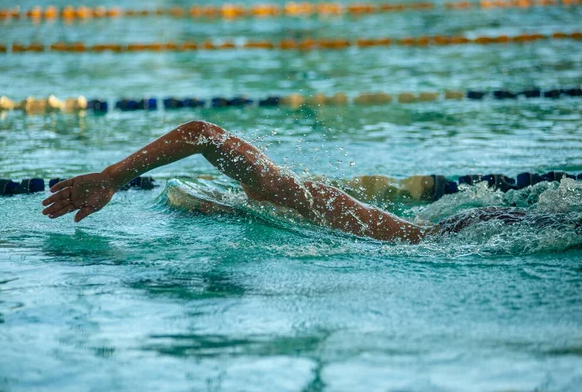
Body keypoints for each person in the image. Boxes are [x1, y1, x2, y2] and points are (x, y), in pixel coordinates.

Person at [40, 120, 554, 243]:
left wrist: (112, 176)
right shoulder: (276, 208)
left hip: (449, 237)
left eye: (203, 206)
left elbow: (201, 134)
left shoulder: (273, 192)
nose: (203, 208)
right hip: (434, 233)